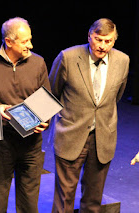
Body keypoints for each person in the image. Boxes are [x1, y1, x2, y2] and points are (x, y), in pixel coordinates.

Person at [48, 18, 130, 212]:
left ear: (114, 41)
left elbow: (115, 97)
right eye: (98, 39)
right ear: (89, 36)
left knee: (94, 198)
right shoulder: (68, 57)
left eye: (107, 41)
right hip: (71, 133)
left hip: (102, 137)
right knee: (64, 198)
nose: (102, 46)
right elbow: (52, 92)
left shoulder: (122, 61)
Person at [0, 17, 51, 213]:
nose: (30, 45)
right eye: (25, 41)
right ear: (9, 42)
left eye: (30, 40)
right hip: (2, 143)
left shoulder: (38, 63)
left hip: (32, 142)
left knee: (29, 202)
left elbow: (46, 99)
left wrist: (45, 120)